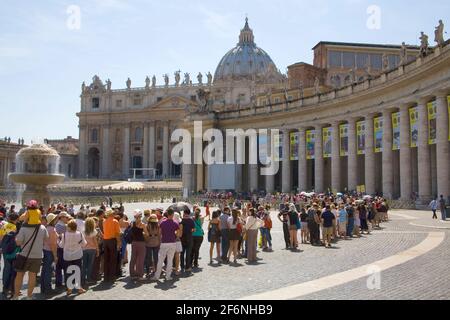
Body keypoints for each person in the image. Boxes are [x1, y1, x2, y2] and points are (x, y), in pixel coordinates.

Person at [12, 219, 49, 300]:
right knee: (32, 276)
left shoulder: (23, 228)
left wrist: (16, 238)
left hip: (24, 255)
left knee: (19, 276)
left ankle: (16, 296)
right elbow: (46, 240)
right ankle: (29, 296)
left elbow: (18, 242)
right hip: (37, 256)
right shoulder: (42, 228)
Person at [59, 219, 87, 295]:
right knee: (77, 271)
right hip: (77, 255)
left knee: (68, 272)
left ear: (70, 227)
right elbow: (84, 244)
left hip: (67, 256)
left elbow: (61, 245)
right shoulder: (79, 234)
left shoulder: (64, 235)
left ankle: (69, 289)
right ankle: (79, 288)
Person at [151, 209, 180, 282]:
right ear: (172, 214)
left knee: (160, 260)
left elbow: (159, 233)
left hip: (164, 243)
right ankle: (168, 276)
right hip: (172, 243)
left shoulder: (162, 223)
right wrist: (174, 235)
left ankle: (157, 276)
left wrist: (160, 241)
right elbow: (178, 234)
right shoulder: (175, 223)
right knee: (170, 260)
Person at [1, 212, 20, 298]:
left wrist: (1, 247)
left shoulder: (4, 225)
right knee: (11, 269)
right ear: (16, 220)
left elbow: (1, 237)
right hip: (11, 250)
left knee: (6, 268)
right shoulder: (14, 227)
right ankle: (10, 288)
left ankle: (5, 288)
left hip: (4, 249)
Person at [41, 213, 58, 296]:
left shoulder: (45, 228)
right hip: (50, 251)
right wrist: (55, 256)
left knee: (44, 270)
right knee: (48, 271)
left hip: (45, 250)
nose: (56, 220)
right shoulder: (52, 229)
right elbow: (53, 244)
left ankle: (43, 288)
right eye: (55, 219)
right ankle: (48, 289)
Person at [102, 209, 121, 283]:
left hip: (105, 240)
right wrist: (119, 242)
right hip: (112, 241)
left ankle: (106, 276)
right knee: (113, 259)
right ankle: (112, 277)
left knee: (106, 259)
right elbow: (117, 234)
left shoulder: (104, 221)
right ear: (112, 214)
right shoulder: (115, 221)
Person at [54, 211, 71, 290]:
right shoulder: (63, 226)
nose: (67, 219)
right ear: (62, 218)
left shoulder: (57, 225)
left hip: (59, 248)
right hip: (62, 248)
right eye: (66, 217)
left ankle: (59, 282)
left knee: (58, 267)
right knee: (64, 266)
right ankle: (64, 283)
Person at [129, 211, 146, 281]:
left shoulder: (132, 224)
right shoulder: (143, 224)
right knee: (140, 259)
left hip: (134, 242)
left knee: (133, 258)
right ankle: (140, 275)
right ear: (140, 217)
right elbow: (146, 234)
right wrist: (144, 233)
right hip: (141, 242)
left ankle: (132, 274)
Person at [82, 217, 99, 286]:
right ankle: (89, 279)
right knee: (90, 265)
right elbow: (95, 242)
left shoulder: (83, 231)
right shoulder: (94, 231)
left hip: (84, 249)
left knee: (84, 265)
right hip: (92, 249)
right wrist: (98, 249)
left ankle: (83, 279)